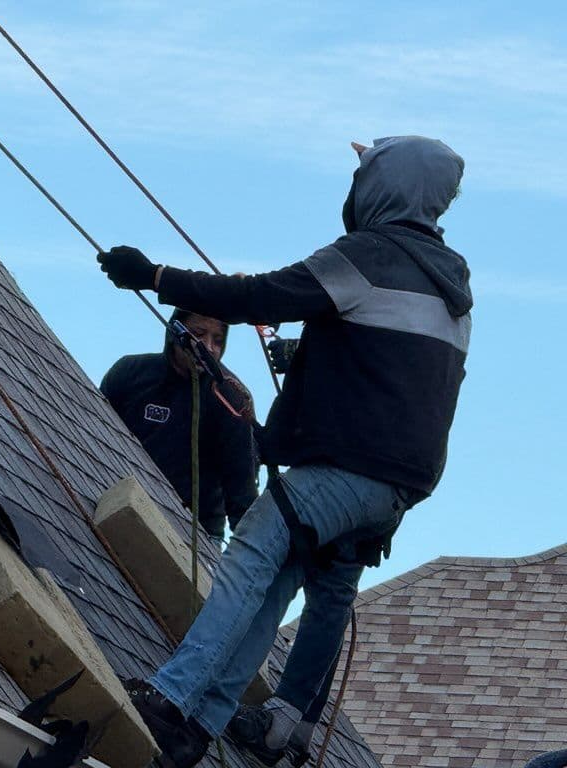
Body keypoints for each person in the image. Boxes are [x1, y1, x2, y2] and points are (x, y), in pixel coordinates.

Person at [97, 135, 471, 767]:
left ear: (385, 188)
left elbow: (260, 298)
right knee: (277, 584)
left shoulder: (372, 255)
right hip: (395, 490)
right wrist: (312, 361)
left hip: (348, 469)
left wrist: (154, 277)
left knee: (251, 555)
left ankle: (173, 699)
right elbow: (404, 379)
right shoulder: (454, 292)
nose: (352, 192)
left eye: (362, 177)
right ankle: (215, 723)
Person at [100, 309, 258, 542]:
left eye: (218, 340)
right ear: (176, 331)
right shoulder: (130, 372)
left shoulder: (231, 398)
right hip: (116, 503)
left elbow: (241, 490)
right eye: (199, 334)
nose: (209, 347)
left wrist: (250, 554)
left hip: (196, 533)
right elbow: (94, 434)